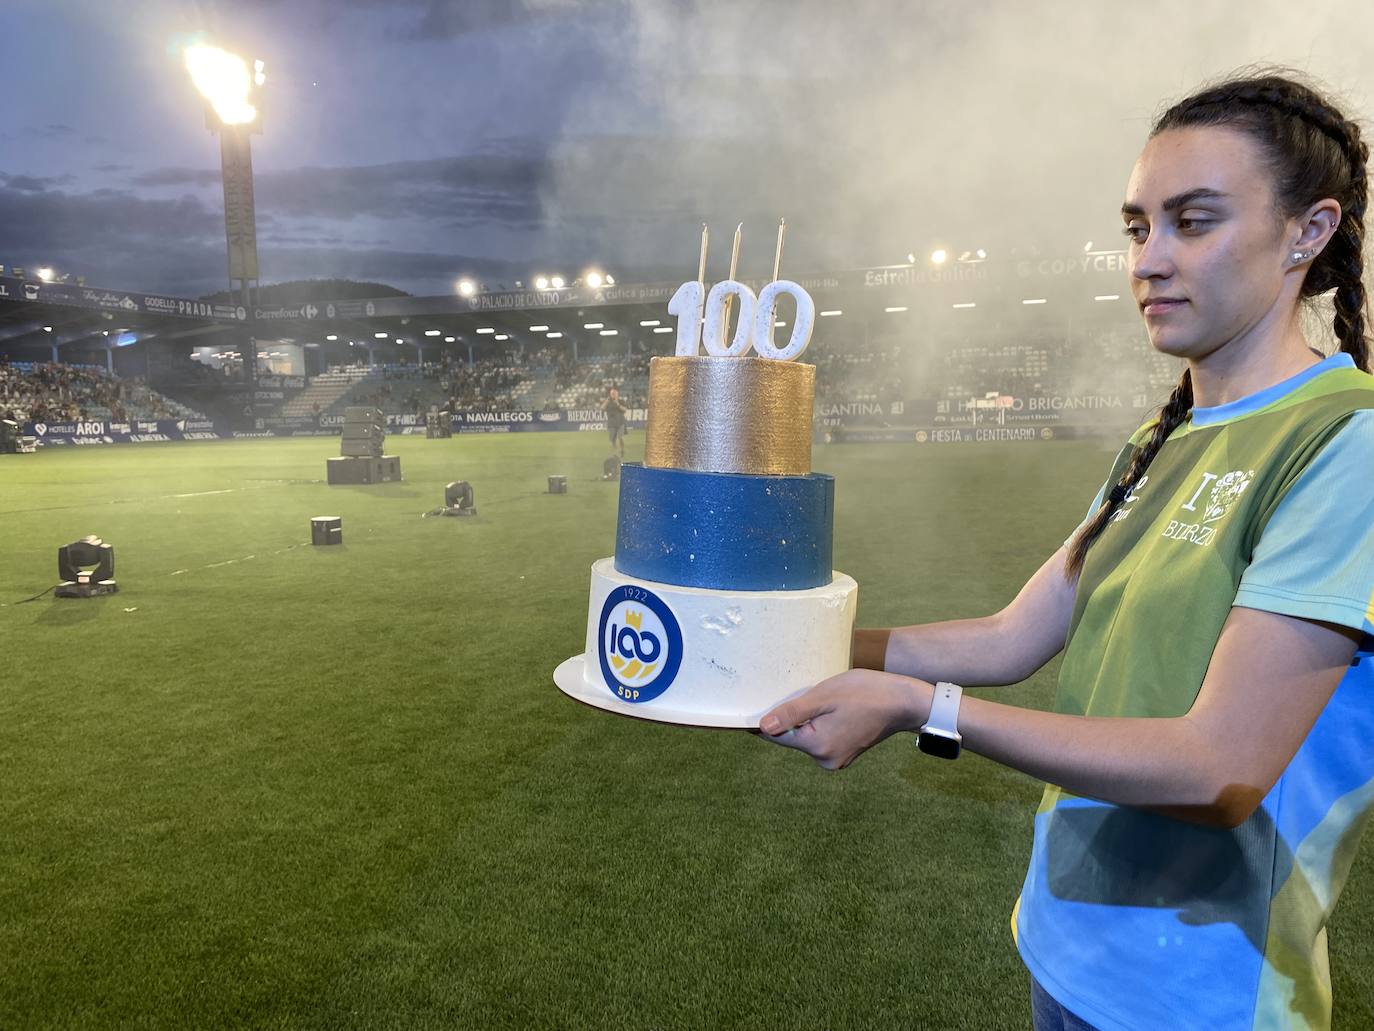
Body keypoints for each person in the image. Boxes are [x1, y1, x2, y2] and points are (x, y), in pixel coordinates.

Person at [759, 69, 1374, 1031]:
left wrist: (926, 709)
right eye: (1138, 227)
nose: (1149, 260)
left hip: (1200, 994)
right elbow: (1012, 636)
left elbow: (1218, 768)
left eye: (1194, 221)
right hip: (1065, 947)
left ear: (1309, 231)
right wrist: (789, 638)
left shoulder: (1349, 443)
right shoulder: (1162, 436)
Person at [601, 385, 628, 458]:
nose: (613, 395)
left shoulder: (621, 401)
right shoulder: (608, 402)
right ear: (610, 394)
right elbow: (602, 408)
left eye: (614, 393)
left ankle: (622, 450)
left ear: (617, 394)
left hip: (620, 422)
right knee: (612, 440)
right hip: (611, 423)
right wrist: (607, 400)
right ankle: (615, 452)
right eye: (612, 393)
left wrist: (618, 404)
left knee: (620, 437)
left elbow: (625, 410)